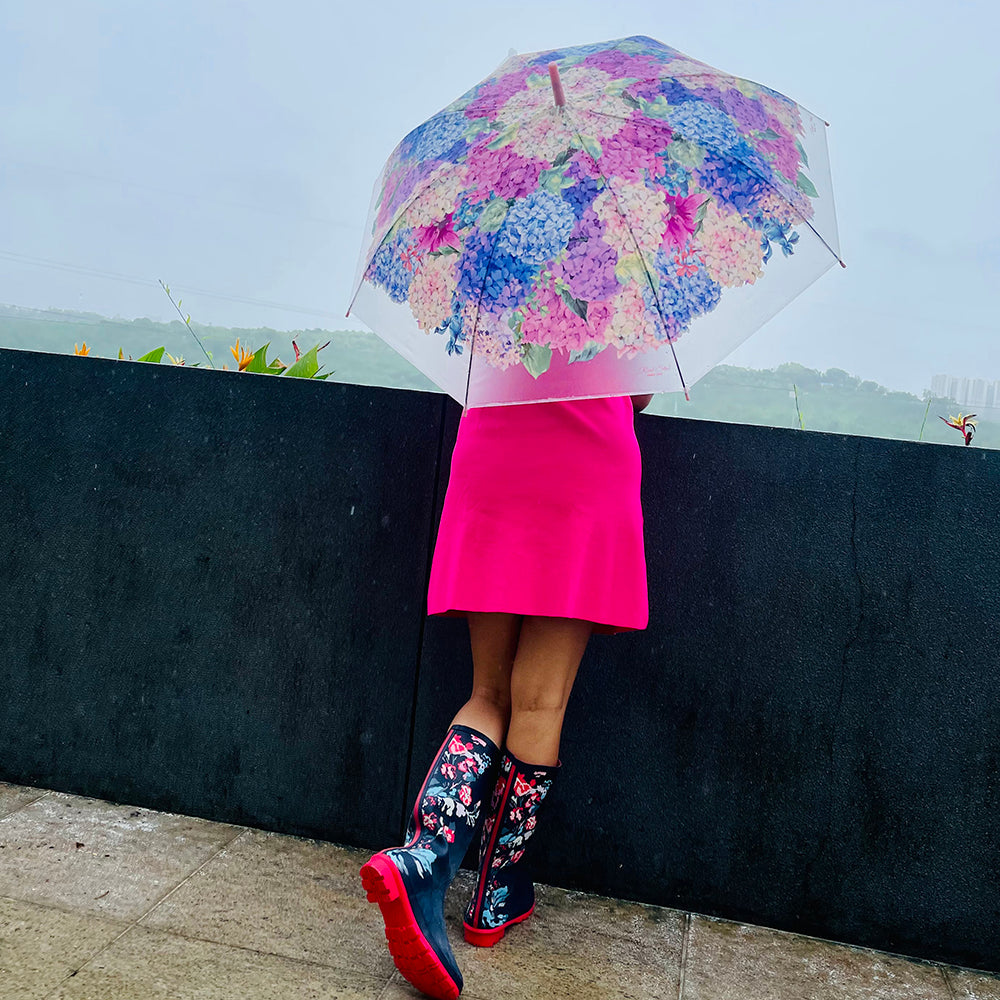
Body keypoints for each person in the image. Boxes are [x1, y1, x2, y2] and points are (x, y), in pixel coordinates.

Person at [360, 391, 652, 1000]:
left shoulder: (492, 287)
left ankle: (423, 859)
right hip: (586, 468)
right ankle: (494, 899)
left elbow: (459, 371)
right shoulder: (632, 294)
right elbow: (640, 390)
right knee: (540, 703)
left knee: (488, 691)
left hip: (496, 457)